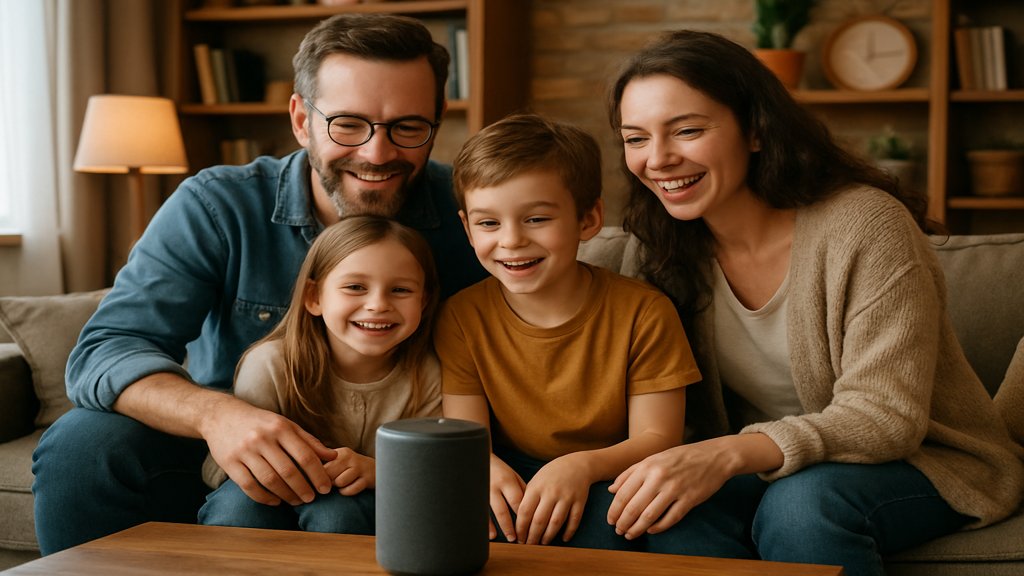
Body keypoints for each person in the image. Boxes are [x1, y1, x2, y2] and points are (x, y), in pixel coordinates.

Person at [32, 13, 486, 554]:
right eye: (347, 123)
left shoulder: (471, 216)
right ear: (301, 119)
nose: (377, 153)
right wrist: (217, 415)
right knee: (83, 444)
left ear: (436, 123)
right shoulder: (218, 205)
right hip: (221, 452)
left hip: (387, 459)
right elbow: (104, 352)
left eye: (408, 127)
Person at [603, 29, 1024, 575]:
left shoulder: (865, 225)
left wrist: (727, 453)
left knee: (805, 505)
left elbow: (886, 416)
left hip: (922, 462)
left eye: (687, 130)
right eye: (635, 138)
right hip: (760, 470)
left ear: (755, 130)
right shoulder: (657, 248)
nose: (657, 159)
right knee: (643, 510)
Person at [436, 113, 703, 552]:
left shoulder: (644, 311)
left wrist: (580, 467)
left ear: (588, 219)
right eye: (489, 224)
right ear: (466, 228)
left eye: (536, 219)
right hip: (515, 468)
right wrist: (481, 467)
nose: (511, 241)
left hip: (617, 467)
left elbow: (658, 439)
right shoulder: (462, 317)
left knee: (609, 531)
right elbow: (467, 436)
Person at [199, 215, 442, 533]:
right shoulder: (269, 365)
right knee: (238, 507)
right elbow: (231, 464)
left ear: (422, 302)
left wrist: (379, 471)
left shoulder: (427, 375)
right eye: (355, 287)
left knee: (337, 513)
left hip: (369, 498)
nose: (377, 304)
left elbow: (436, 470)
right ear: (314, 297)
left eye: (400, 290)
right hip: (263, 489)